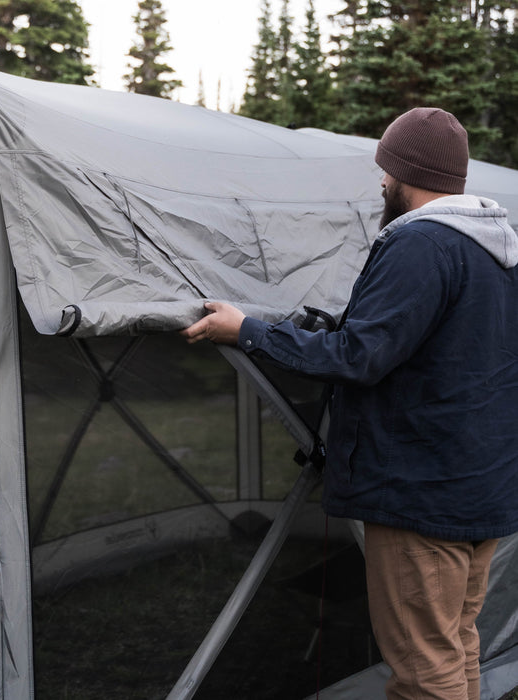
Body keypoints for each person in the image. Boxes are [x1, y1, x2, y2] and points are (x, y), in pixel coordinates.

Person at [180, 107, 518, 700]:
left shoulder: (422, 243)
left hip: (422, 497)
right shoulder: (496, 249)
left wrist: (248, 330)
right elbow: (440, 348)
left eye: (384, 171)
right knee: (456, 643)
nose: (381, 183)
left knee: (422, 668)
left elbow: (359, 357)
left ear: (401, 172)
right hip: (478, 489)